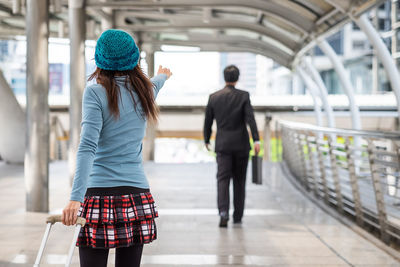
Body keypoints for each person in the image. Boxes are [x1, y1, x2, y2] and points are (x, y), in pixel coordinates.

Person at [61, 29, 172, 267]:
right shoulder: (144, 92)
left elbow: (88, 146)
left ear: (100, 61)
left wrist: (75, 199)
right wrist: (163, 75)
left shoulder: (95, 92)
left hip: (99, 194)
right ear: (134, 59)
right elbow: (156, 83)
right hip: (136, 196)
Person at [204, 65, 260, 227]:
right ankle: (238, 216)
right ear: (238, 77)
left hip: (222, 145)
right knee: (239, 181)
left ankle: (223, 212)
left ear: (224, 77)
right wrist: (256, 140)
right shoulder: (244, 96)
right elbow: (251, 119)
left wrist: (207, 139)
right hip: (242, 145)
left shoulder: (214, 97)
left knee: (222, 179)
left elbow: (208, 121)